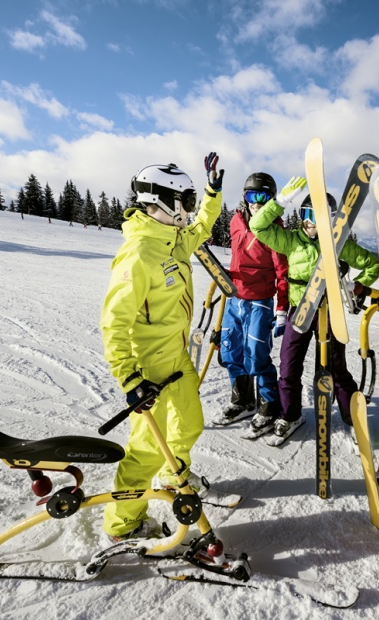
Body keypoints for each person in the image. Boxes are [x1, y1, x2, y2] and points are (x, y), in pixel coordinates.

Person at [99, 155, 223, 541]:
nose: (187, 209)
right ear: (164, 201)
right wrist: (129, 378)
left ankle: (173, 478)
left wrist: (211, 192)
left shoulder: (172, 243)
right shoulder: (138, 254)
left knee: (189, 424)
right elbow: (114, 322)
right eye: (183, 201)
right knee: (146, 450)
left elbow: (202, 225)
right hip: (150, 369)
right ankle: (123, 524)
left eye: (188, 200)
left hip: (177, 358)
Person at [249, 182, 379, 441]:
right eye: (307, 215)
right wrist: (280, 201)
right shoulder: (290, 241)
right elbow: (257, 226)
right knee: (288, 365)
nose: (312, 223)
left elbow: (372, 264)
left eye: (318, 217)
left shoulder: (339, 243)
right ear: (301, 217)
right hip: (300, 309)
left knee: (336, 367)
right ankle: (290, 414)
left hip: (329, 312)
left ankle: (351, 417)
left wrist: (355, 287)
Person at [217, 173, 289, 424]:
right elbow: (239, 259)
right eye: (251, 196)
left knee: (256, 354)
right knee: (230, 351)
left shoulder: (274, 229)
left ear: (271, 200)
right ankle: (242, 401)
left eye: (263, 197)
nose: (256, 203)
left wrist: (281, 308)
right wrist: (227, 275)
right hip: (234, 297)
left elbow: (283, 272)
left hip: (260, 300)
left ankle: (268, 406)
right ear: (244, 197)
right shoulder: (236, 222)